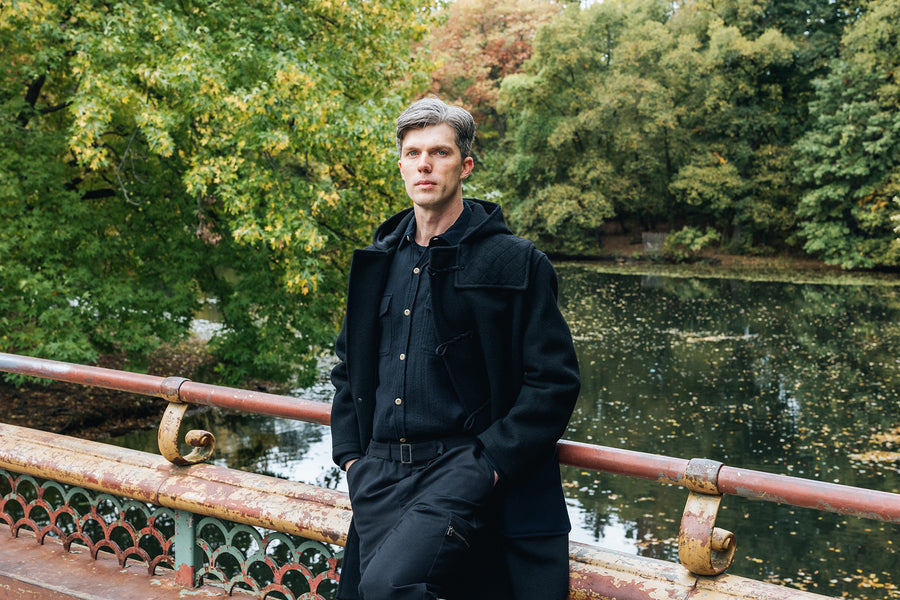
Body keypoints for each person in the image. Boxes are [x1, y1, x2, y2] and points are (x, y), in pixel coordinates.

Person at [330, 97, 580, 600]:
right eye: (413, 152)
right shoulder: (378, 261)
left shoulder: (516, 262)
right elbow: (348, 369)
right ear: (400, 163)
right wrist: (352, 458)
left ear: (464, 165)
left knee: (387, 588)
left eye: (440, 152)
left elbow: (554, 382)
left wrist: (486, 464)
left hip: (457, 471)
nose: (425, 164)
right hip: (378, 475)